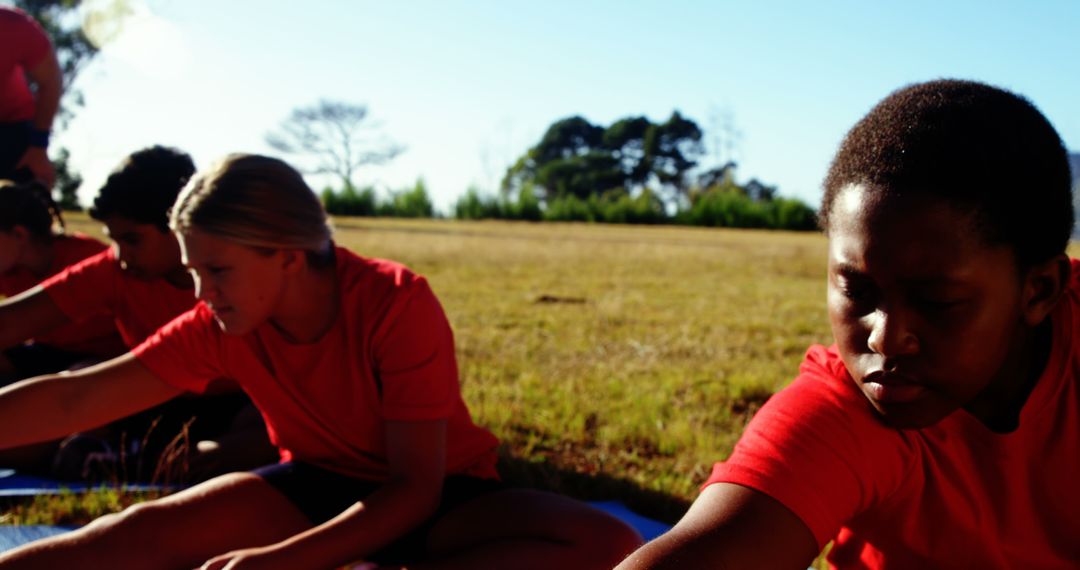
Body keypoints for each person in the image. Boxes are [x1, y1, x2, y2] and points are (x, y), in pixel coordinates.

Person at [0, 153, 642, 569]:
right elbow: (73, 399)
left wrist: (280, 562)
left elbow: (415, 489)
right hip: (315, 484)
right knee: (126, 538)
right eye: (195, 272)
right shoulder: (222, 321)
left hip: (447, 498)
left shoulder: (394, 302)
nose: (202, 294)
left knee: (605, 543)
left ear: (287, 253)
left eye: (216, 270)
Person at [616, 79, 1079, 569]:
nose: (885, 337)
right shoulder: (848, 410)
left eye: (936, 300)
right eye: (858, 291)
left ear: (1039, 291)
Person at [0, 146, 274, 481]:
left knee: (258, 429)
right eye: (116, 241)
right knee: (64, 404)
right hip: (153, 402)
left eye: (133, 239)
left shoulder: (240, 276)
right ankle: (132, 458)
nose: (123, 255)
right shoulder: (117, 269)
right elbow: (13, 322)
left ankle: (157, 461)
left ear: (180, 225)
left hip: (238, 404)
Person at [0, 179, 124, 380]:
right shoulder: (10, 270)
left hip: (104, 358)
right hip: (49, 353)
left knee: (79, 377)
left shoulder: (87, 258)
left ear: (18, 234)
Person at [0, 6, 61, 187]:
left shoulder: (10, 24)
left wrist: (38, 147)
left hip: (12, 126)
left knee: (23, 204)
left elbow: (50, 80)